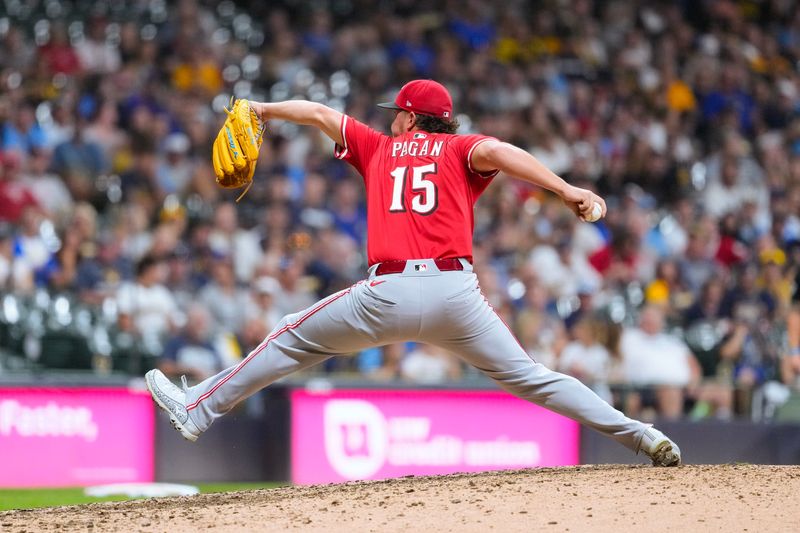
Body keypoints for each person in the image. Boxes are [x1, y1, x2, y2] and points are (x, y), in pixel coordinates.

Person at [145, 79, 681, 466]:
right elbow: (498, 150)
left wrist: (262, 108)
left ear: (408, 117)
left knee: (289, 336)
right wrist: (564, 189)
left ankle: (197, 409)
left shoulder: (379, 147)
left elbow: (317, 113)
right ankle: (641, 436)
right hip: (457, 295)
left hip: (389, 292)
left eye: (395, 113)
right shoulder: (460, 147)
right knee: (534, 377)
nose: (390, 120)